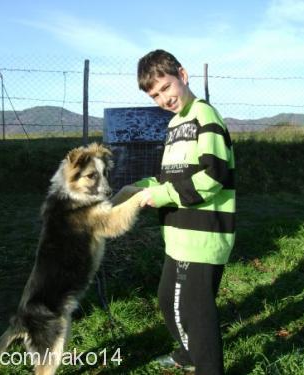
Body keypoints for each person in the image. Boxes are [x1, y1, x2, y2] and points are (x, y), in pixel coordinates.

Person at [131, 49, 235, 374]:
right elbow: (171, 177)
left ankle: (205, 366)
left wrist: (161, 195)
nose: (163, 98)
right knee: (169, 300)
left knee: (191, 311)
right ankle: (191, 356)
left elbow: (213, 175)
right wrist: (139, 189)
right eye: (155, 95)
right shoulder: (176, 124)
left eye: (166, 87)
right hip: (179, 235)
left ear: (183, 75)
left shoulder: (205, 117)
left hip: (201, 235)